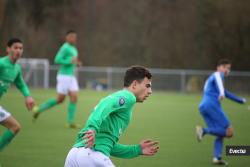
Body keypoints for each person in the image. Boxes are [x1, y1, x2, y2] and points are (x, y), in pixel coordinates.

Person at [64, 66, 159, 167]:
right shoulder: (129, 97)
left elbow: (108, 145)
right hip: (93, 156)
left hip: (74, 154)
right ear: (134, 84)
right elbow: (106, 103)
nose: (150, 91)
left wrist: (137, 150)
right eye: (147, 86)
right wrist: (92, 127)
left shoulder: (120, 99)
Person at [196, 59, 246, 165]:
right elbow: (220, 83)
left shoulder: (213, 79)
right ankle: (203, 131)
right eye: (225, 67)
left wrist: (241, 100)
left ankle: (217, 157)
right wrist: (222, 93)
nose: (227, 70)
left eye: (229, 68)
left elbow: (226, 93)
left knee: (221, 132)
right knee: (229, 131)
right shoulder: (217, 75)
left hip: (203, 107)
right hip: (212, 106)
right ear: (218, 67)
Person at [32, 30, 81, 128]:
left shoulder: (74, 48)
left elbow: (73, 61)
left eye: (74, 36)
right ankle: (38, 109)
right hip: (64, 76)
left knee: (74, 97)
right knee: (60, 99)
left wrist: (77, 63)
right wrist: (69, 61)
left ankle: (69, 122)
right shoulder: (65, 47)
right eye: (71, 36)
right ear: (67, 38)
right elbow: (57, 59)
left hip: (71, 76)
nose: (73, 38)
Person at [0, 38, 35, 151]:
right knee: (15, 126)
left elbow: (21, 84)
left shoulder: (16, 68)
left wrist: (28, 96)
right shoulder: (1, 64)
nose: (18, 50)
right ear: (8, 49)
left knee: (15, 127)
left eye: (20, 48)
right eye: (15, 47)